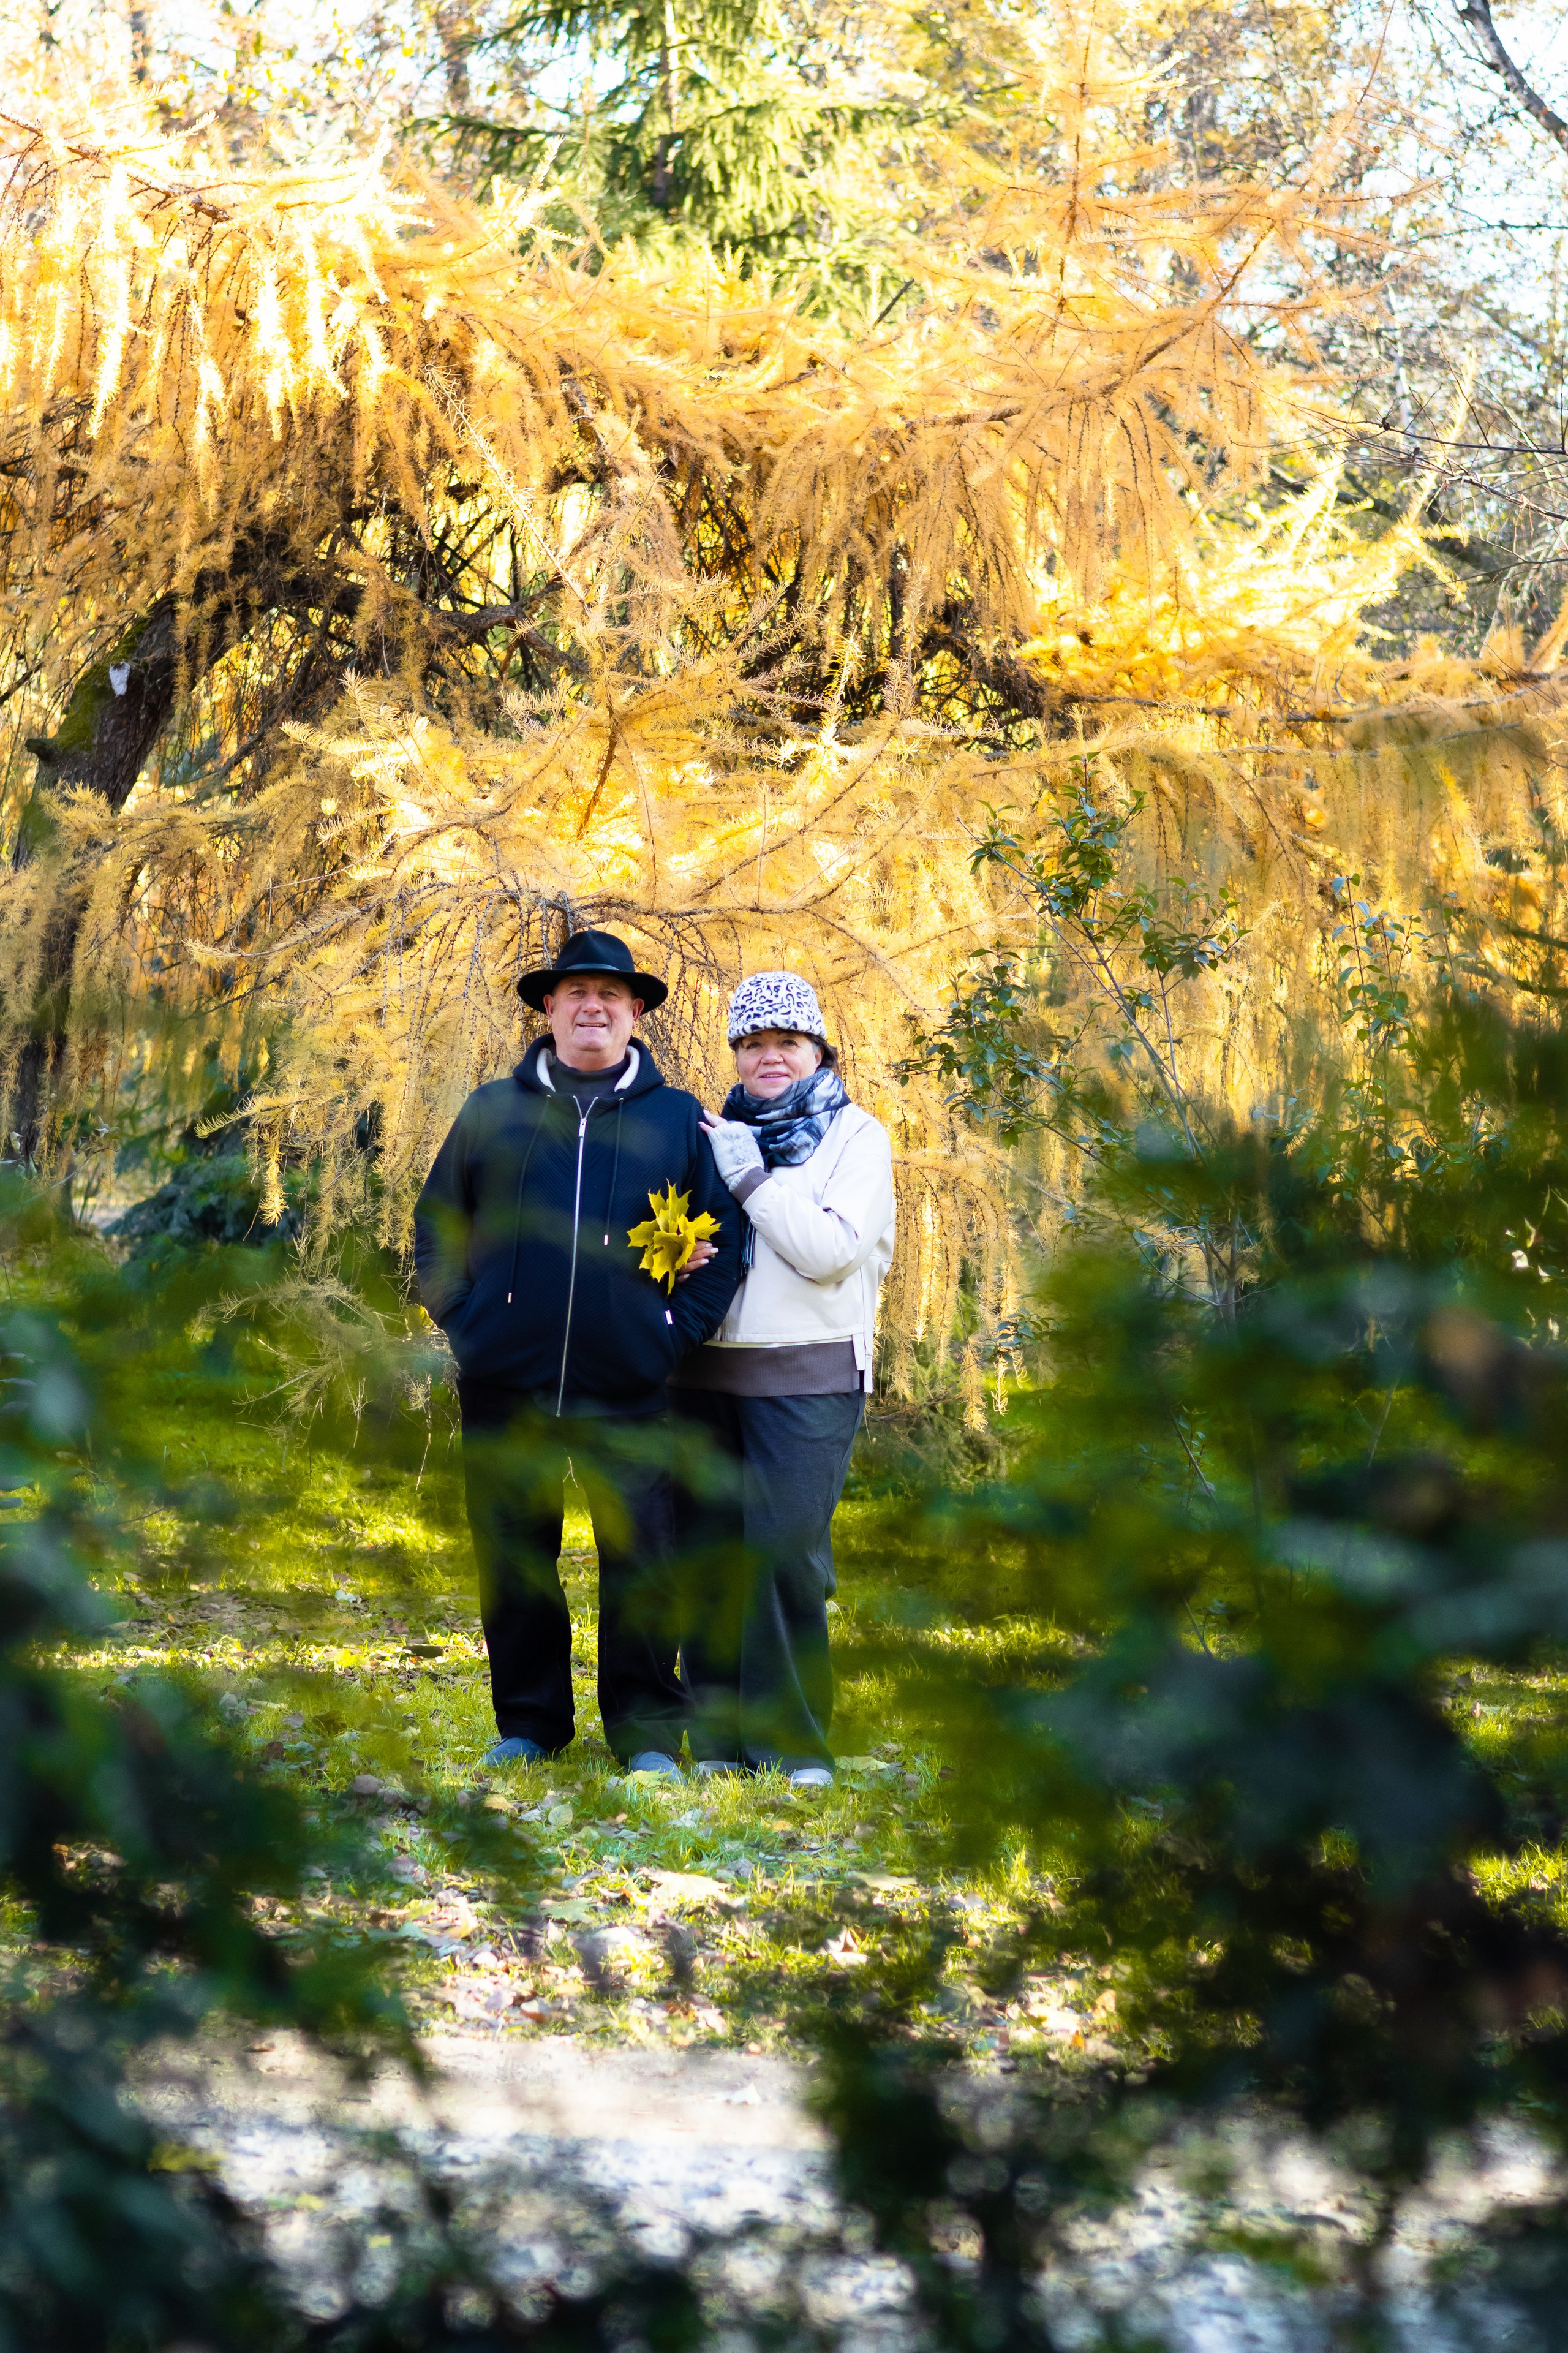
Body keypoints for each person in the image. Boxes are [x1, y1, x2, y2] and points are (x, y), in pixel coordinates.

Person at [413, 929, 743, 1775]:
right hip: (506, 1384)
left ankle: (646, 1733)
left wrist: (668, 1336)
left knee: (644, 1560)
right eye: (576, 993)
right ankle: (530, 1724)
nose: (593, 1007)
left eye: (610, 995)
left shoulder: (679, 1119)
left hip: (631, 1386)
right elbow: (437, 1223)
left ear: (635, 1012)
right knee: (515, 1557)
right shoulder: (493, 1110)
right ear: (550, 1009)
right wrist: (467, 1321)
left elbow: (724, 1245)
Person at [669, 972, 895, 1788]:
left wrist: (752, 1182)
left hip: (810, 1375)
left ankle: (794, 1744)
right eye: (754, 1043)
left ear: (818, 1051)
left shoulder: (855, 1138)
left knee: (784, 1554)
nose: (770, 1057)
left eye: (787, 1043)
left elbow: (831, 1251)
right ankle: (718, 1739)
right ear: (736, 1054)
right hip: (704, 1375)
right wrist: (675, 1255)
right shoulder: (714, 1131)